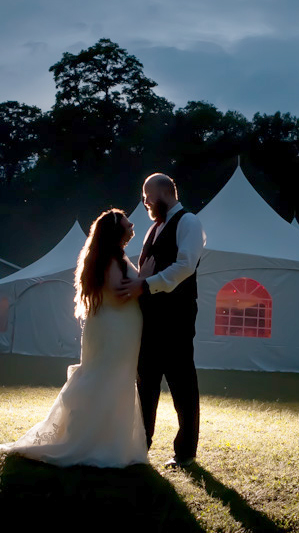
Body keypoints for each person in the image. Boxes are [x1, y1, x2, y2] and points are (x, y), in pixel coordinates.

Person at [0, 209, 155, 468]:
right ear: (116, 229)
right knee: (107, 378)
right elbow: (117, 293)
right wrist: (145, 278)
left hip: (119, 328)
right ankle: (95, 442)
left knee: (113, 378)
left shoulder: (112, 256)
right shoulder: (110, 259)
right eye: (128, 221)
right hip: (115, 330)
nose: (132, 223)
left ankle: (109, 440)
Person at [115, 173, 206, 469]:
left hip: (177, 316)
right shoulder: (153, 229)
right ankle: (141, 446)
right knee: (146, 383)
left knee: (182, 384)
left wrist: (144, 286)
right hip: (150, 317)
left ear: (165, 193)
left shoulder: (189, 222)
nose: (144, 203)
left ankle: (185, 453)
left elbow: (185, 266)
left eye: (147, 197)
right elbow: (143, 268)